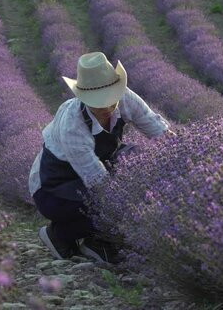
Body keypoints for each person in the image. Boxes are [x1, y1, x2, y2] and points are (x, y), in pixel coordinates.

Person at [28, 51, 175, 264]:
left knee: (136, 158)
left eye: (110, 99)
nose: (106, 107)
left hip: (92, 173)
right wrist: (136, 205)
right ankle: (59, 234)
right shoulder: (72, 124)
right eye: (98, 102)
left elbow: (160, 133)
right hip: (54, 187)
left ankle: (97, 242)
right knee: (109, 206)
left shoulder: (126, 97)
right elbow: (97, 180)